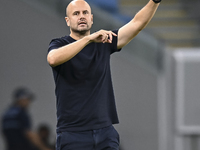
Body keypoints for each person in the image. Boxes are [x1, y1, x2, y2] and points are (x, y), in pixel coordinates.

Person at [47, 0, 161, 149]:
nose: (81, 16)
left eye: (85, 13)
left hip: (105, 133)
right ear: (68, 21)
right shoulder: (59, 44)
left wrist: (155, 1)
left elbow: (136, 23)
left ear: (92, 18)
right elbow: (53, 59)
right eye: (76, 13)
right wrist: (88, 39)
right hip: (72, 134)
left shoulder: (103, 40)